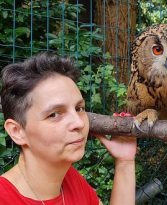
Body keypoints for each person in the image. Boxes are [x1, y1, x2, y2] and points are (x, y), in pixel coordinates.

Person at [0, 52, 136, 205]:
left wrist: (125, 162)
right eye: (54, 114)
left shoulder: (70, 180)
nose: (79, 123)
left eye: (79, 108)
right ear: (17, 132)